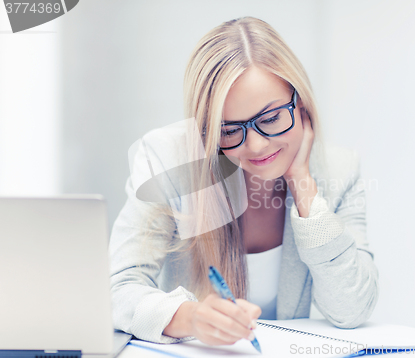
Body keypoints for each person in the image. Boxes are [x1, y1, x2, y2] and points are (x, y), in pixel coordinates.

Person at [109, 16, 379, 347]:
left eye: (271, 118)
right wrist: (190, 317)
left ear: (302, 105)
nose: (256, 145)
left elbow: (352, 309)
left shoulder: (339, 170)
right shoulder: (167, 161)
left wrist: (303, 185)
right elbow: (117, 288)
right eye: (229, 130)